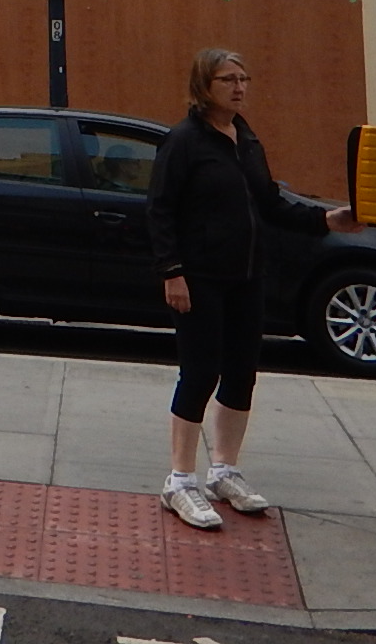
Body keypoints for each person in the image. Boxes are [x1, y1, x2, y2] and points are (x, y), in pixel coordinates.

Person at [147, 47, 360, 530]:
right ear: (204, 86)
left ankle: (224, 471)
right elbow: (159, 210)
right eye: (228, 79)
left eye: (244, 79)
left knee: (242, 372)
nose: (239, 87)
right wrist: (172, 272)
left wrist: (327, 219)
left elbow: (269, 203)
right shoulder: (184, 141)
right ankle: (180, 481)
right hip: (199, 277)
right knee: (200, 372)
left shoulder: (246, 139)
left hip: (246, 276)